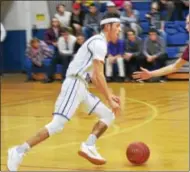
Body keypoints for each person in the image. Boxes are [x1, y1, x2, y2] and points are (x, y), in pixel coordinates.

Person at [7, 13, 121, 171]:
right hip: (74, 83)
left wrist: (109, 96)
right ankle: (18, 151)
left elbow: (95, 77)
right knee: (57, 125)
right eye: (117, 27)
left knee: (109, 114)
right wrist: (109, 97)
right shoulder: (99, 43)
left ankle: (89, 145)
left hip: (82, 86)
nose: (119, 30)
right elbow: (99, 75)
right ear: (108, 27)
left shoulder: (100, 43)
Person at [133, 14, 189, 81]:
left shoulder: (161, 40)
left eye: (188, 23)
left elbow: (162, 51)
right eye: (186, 23)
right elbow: (174, 67)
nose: (186, 27)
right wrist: (151, 74)